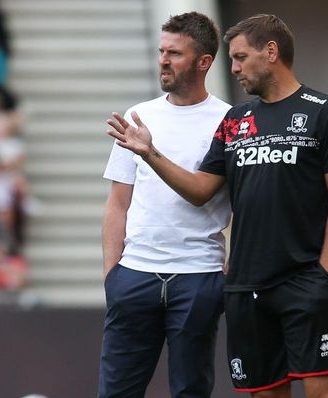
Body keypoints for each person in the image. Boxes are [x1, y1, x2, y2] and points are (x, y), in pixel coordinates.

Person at [108, 14, 328, 398]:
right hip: (244, 284)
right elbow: (200, 190)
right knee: (265, 392)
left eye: (240, 57)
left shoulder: (324, 110)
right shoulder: (236, 119)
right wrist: (150, 152)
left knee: (324, 391)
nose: (235, 68)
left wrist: (326, 270)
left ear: (270, 52)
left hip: (303, 278)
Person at [99, 12, 231, 398]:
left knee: (190, 391)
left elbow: (240, 202)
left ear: (204, 62)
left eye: (174, 52)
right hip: (135, 275)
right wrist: (113, 275)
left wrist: (229, 267)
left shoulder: (230, 120)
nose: (163, 60)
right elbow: (117, 204)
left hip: (198, 275)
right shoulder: (140, 114)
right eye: (161, 51)